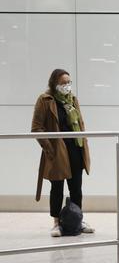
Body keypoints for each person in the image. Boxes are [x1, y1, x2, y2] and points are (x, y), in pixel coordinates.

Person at [31, 69, 94, 237]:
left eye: (69, 82)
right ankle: (56, 222)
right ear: (54, 84)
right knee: (57, 188)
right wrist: (49, 150)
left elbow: (80, 123)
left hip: (75, 148)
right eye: (63, 83)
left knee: (76, 188)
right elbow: (36, 128)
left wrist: (83, 143)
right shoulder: (45, 100)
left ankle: (77, 220)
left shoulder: (72, 100)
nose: (67, 86)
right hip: (57, 152)